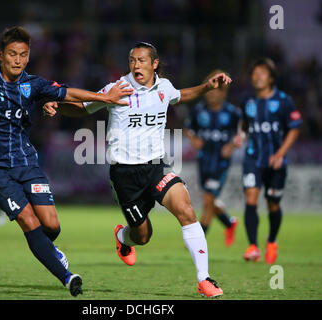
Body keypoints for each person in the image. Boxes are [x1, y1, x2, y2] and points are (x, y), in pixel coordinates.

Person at [0, 26, 132, 297]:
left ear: (28, 56)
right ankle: (67, 277)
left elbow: (68, 93)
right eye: (12, 54)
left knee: (52, 225)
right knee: (27, 219)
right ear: (1, 55)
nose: (18, 60)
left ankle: (47, 249)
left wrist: (103, 97)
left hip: (26, 163)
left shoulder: (32, 84)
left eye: (23, 54)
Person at [43, 42, 232, 298]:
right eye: (132, 60)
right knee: (142, 236)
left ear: (154, 64)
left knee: (186, 210)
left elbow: (181, 95)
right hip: (125, 175)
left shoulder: (163, 87)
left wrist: (206, 86)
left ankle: (204, 279)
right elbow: (84, 107)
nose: (136, 65)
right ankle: (123, 237)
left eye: (142, 60)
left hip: (156, 166)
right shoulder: (118, 88)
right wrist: (58, 106)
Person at [240, 58, 302, 264]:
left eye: (262, 73)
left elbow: (294, 128)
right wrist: (239, 135)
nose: (257, 76)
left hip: (276, 162)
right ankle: (253, 246)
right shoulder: (248, 102)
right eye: (254, 73)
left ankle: (272, 241)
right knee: (251, 197)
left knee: (273, 204)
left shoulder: (284, 100)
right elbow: (244, 125)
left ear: (272, 77)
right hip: (252, 159)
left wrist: (281, 154)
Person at [184, 69, 244, 246]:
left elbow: (242, 133)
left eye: (217, 89)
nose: (212, 94)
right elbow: (188, 128)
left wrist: (231, 146)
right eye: (210, 89)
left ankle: (199, 241)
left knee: (208, 200)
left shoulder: (233, 113)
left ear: (224, 92)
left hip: (221, 162)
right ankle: (229, 223)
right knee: (210, 199)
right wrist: (194, 139)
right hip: (204, 159)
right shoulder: (198, 111)